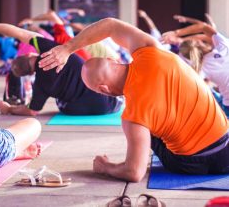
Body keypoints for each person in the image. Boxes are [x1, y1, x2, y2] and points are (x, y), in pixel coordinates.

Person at [38, 17, 229, 182]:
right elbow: (111, 25)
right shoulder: (151, 50)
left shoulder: (132, 117)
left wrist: (105, 167)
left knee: (147, 130)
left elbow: (134, 173)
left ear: (103, 89)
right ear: (114, 61)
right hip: (226, 148)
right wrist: (67, 48)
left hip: (190, 164)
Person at [0, 21, 122, 116]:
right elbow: (19, 32)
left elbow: (32, 111)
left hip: (83, 110)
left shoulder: (40, 86)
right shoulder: (49, 49)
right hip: (110, 101)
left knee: (62, 105)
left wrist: (8, 109)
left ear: (28, 74)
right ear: (29, 54)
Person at [162, 21, 229, 118]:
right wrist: (176, 33)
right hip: (225, 103)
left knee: (209, 93)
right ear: (199, 42)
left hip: (226, 105)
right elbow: (204, 27)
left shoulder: (202, 68)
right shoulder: (224, 46)